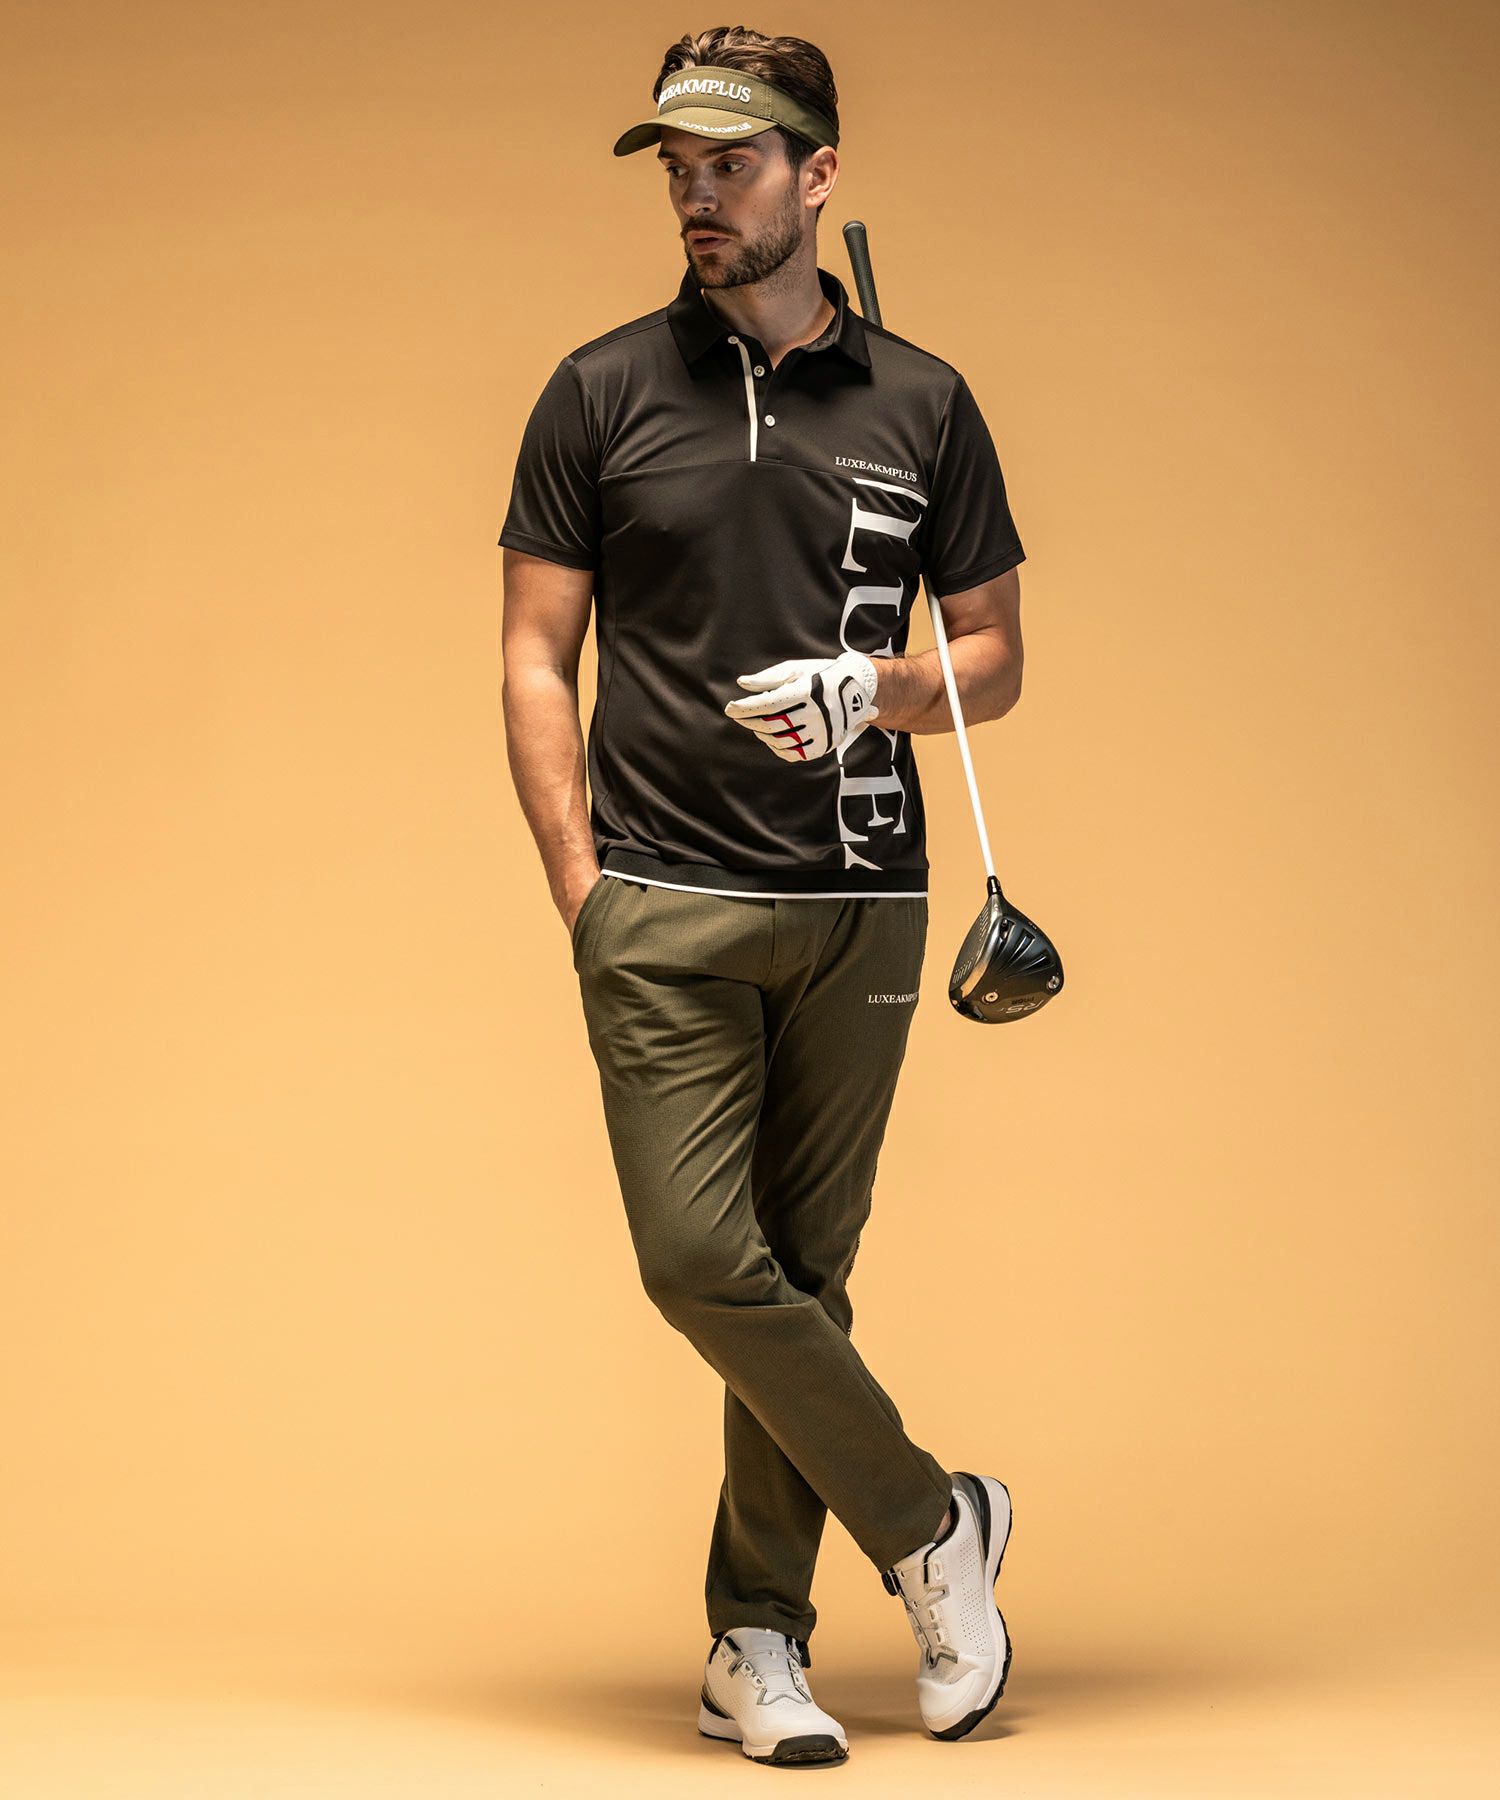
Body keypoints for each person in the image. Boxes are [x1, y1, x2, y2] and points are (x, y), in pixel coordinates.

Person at [499, 25, 1025, 1766]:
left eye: (731, 166)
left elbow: (997, 658)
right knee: (702, 1261)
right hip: (660, 900)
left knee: (806, 1275)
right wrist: (583, 889)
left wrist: (875, 688)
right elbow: (534, 652)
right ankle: (935, 1526)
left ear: (819, 174)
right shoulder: (598, 392)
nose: (698, 198)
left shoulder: (924, 401)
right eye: (679, 170)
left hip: (864, 905)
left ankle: (754, 1641)